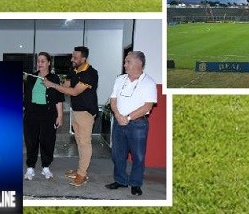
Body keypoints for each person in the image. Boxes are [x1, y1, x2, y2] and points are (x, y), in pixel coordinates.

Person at [43, 46, 99, 187]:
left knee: (85, 143)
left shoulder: (91, 73)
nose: (72, 59)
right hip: (76, 111)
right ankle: (81, 170)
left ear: (83, 58)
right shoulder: (73, 70)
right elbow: (65, 86)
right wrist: (53, 82)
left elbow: (74, 92)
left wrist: (53, 85)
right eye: (72, 56)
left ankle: (82, 174)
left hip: (86, 113)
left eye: (75, 57)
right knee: (79, 142)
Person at [105, 51, 158, 196]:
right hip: (118, 122)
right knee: (117, 155)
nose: (125, 64)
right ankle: (121, 180)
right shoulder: (120, 79)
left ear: (138, 64)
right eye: (125, 61)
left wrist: (127, 118)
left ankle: (135, 183)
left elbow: (148, 106)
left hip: (137, 125)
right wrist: (117, 115)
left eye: (128, 62)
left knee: (138, 156)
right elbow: (113, 100)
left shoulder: (149, 83)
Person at [23, 52, 64, 181]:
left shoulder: (54, 78)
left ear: (48, 63)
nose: (40, 64)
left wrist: (60, 115)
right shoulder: (31, 77)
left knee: (48, 140)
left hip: (48, 113)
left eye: (42, 61)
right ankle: (30, 167)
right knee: (31, 140)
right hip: (31, 112)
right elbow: (25, 94)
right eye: (38, 61)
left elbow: (58, 98)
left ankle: (46, 166)